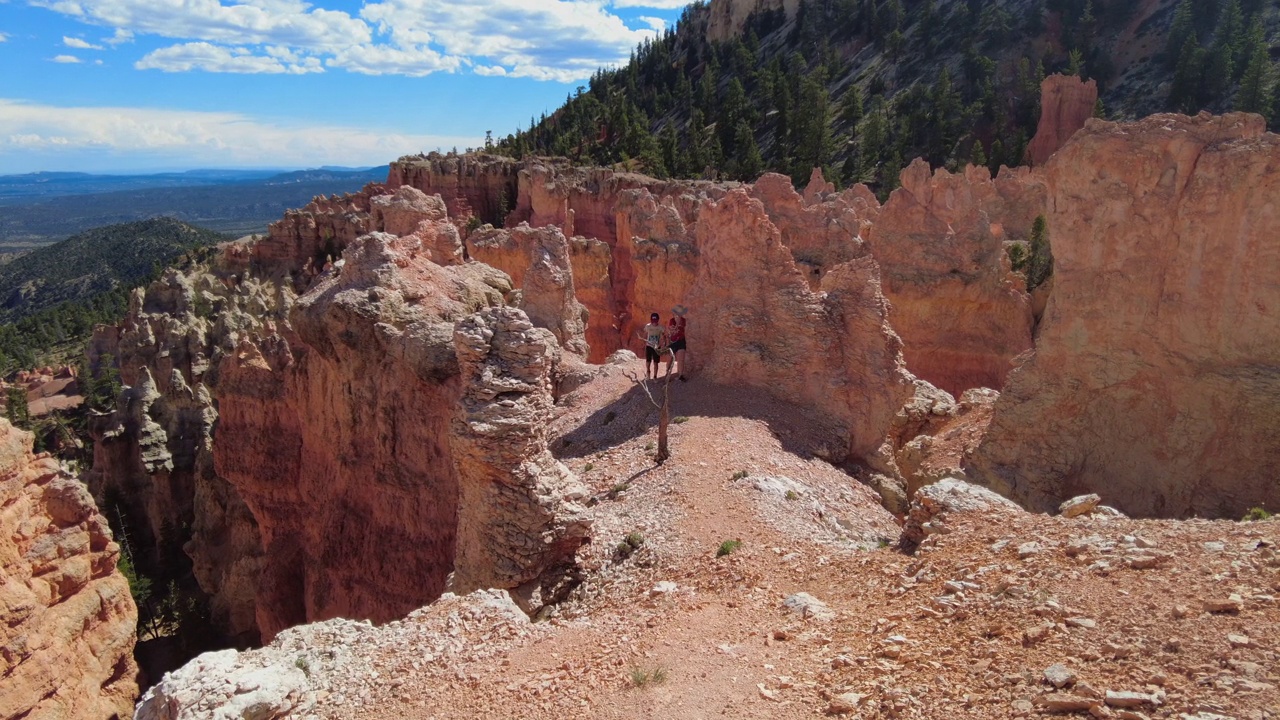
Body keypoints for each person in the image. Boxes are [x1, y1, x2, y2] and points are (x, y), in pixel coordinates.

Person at [637, 312, 668, 380]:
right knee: (648, 361)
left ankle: (655, 376)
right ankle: (648, 372)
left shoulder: (660, 328)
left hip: (656, 347)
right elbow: (645, 334)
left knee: (656, 362)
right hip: (649, 345)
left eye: (655, 321)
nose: (654, 323)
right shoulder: (648, 326)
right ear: (651, 320)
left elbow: (663, 335)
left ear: (658, 320)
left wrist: (663, 343)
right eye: (653, 321)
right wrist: (643, 342)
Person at [668, 305, 689, 381]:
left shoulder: (684, 320)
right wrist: (677, 323)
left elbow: (686, 329)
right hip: (673, 341)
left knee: (681, 359)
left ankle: (680, 375)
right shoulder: (672, 321)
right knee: (670, 359)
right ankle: (668, 374)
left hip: (681, 341)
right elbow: (672, 331)